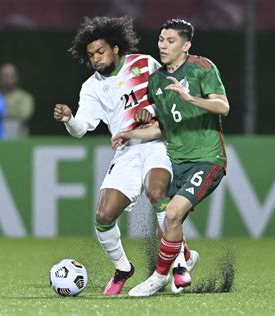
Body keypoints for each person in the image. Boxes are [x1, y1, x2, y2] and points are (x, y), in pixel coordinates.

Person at [53, 16, 196, 296]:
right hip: (126, 151)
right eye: (91, 54)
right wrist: (69, 119)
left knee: (156, 192)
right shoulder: (91, 88)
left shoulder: (143, 64)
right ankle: (123, 268)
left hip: (157, 141)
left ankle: (179, 264)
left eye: (100, 51)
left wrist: (152, 112)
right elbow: (82, 128)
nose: (95, 58)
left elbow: (169, 96)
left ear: (116, 48)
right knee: (104, 216)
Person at [111, 18, 230, 297]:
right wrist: (131, 135)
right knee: (165, 226)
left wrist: (191, 98)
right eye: (161, 40)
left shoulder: (203, 68)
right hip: (177, 160)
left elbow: (222, 106)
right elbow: (164, 127)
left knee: (173, 214)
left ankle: (158, 277)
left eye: (171, 41)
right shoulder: (157, 81)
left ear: (186, 45)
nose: (163, 46)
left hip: (207, 158)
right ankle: (184, 261)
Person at [0, 63, 34, 137]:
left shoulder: (25, 97)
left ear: (16, 77)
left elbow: (24, 115)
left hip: (19, 141)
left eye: (11, 75)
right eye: (5, 75)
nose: (8, 78)